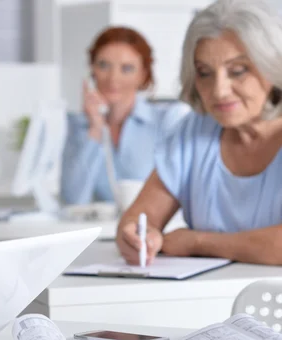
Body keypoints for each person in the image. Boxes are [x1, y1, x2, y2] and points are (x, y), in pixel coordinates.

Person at [117, 0, 282, 266]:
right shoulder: (192, 133)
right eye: (204, 73)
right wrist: (137, 236)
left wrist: (197, 242)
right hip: (203, 300)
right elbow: (139, 218)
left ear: (272, 66)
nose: (219, 90)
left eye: (237, 71)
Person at [60, 27, 190, 204]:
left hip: (151, 228)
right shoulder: (78, 126)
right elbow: (72, 199)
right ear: (92, 70)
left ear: (143, 75)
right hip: (102, 230)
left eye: (127, 68)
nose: (113, 78)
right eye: (104, 65)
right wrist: (95, 130)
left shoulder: (167, 120)